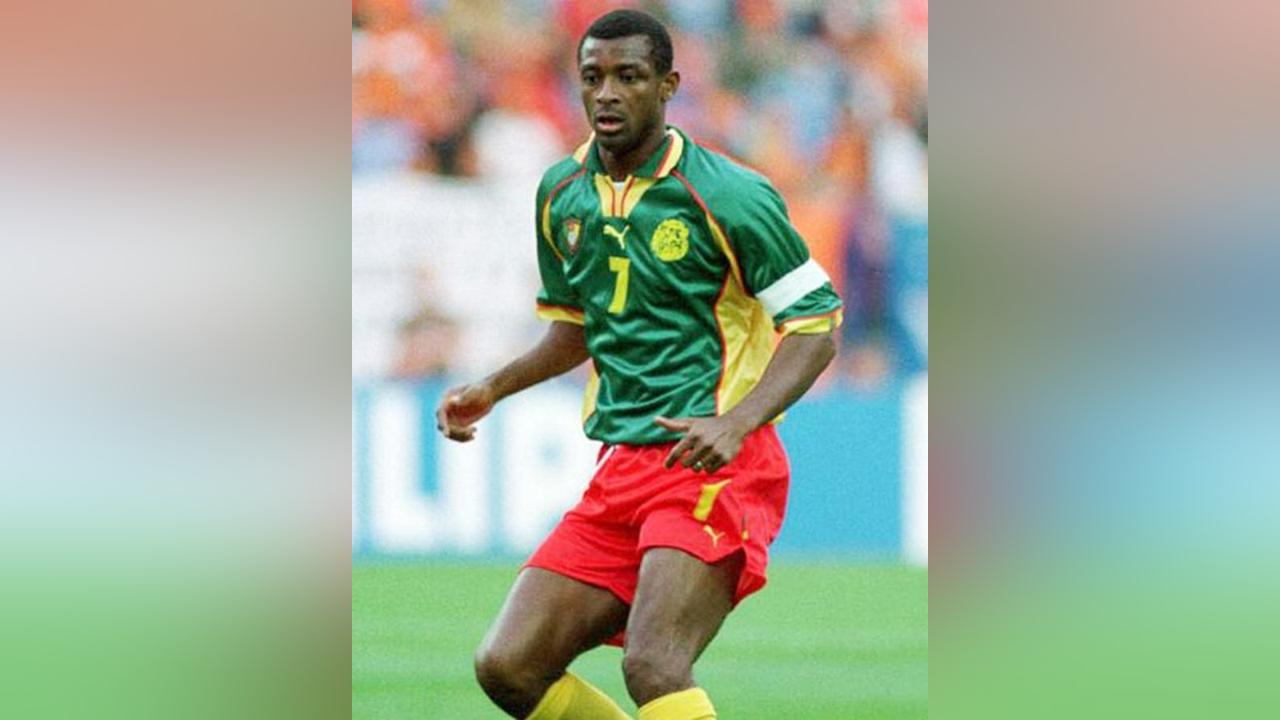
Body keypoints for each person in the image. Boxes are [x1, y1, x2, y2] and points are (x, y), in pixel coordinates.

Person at [435, 10, 843, 720]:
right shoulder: (562, 192)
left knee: (654, 665)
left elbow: (817, 326)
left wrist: (736, 422)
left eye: (628, 77)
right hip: (623, 464)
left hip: (714, 461)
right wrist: (493, 388)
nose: (607, 93)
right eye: (592, 77)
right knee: (509, 666)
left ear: (668, 85)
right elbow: (578, 329)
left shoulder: (729, 195)